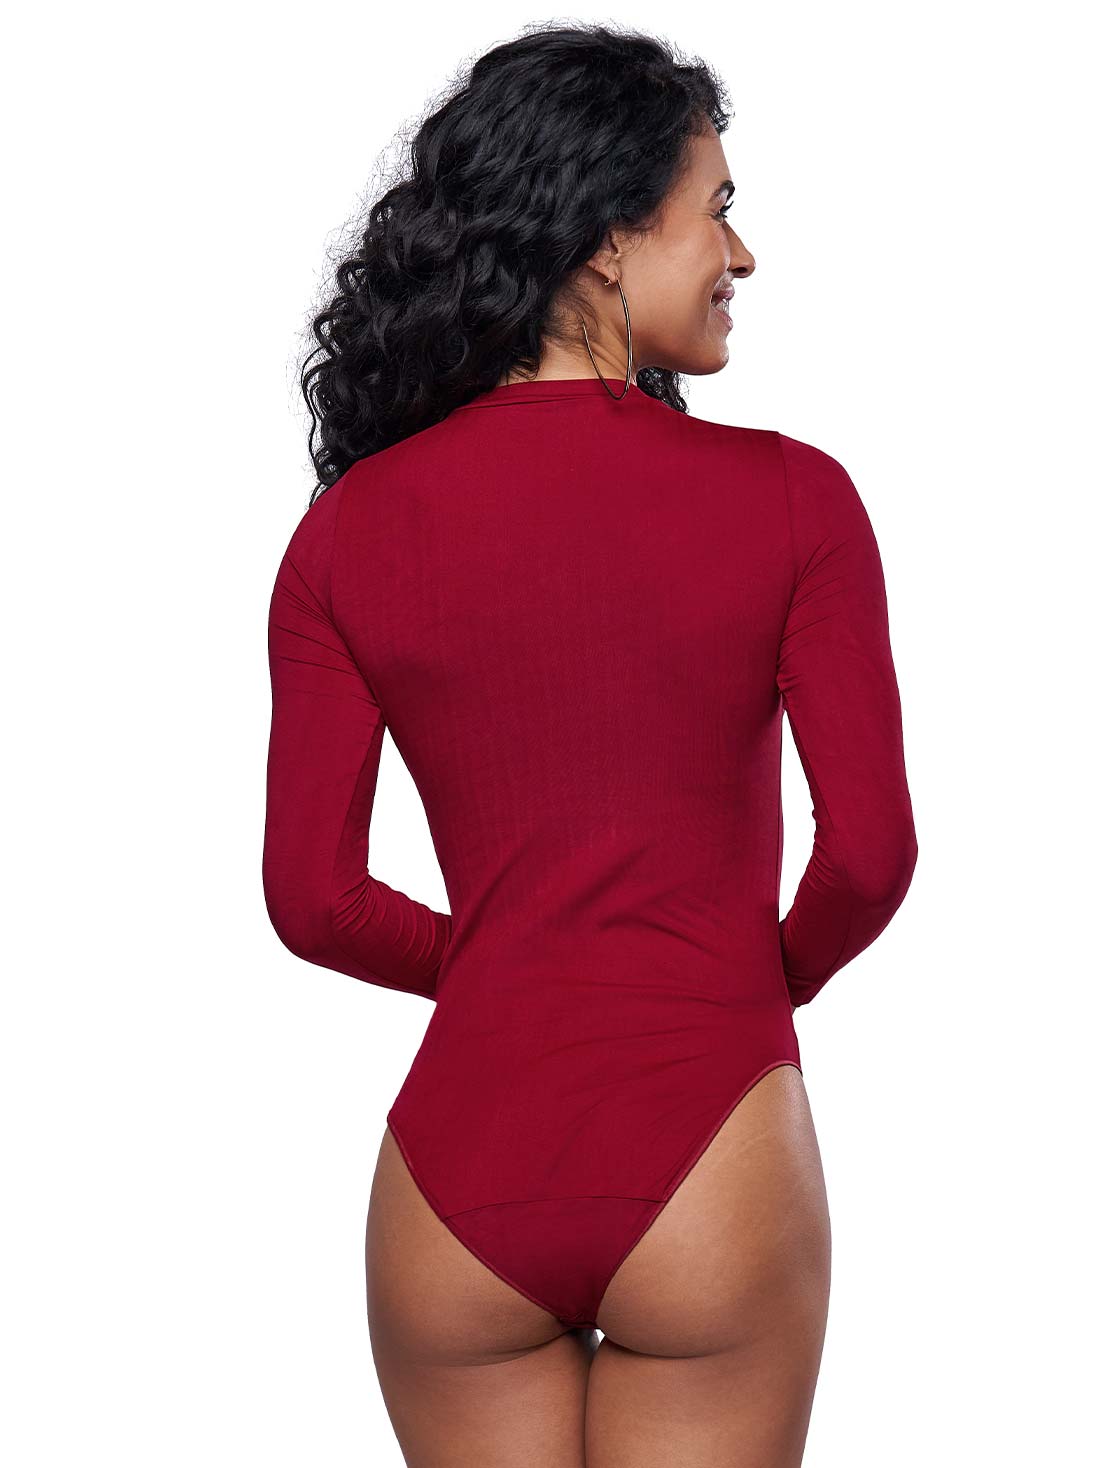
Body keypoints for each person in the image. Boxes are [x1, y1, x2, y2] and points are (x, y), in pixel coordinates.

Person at [261, 22, 917, 1467]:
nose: (741, 256)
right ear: (612, 236)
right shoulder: (796, 502)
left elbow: (312, 899)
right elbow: (870, 854)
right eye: (718, 209)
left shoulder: (345, 534)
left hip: (459, 1166)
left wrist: (509, 963)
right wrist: (736, 982)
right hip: (709, 1139)